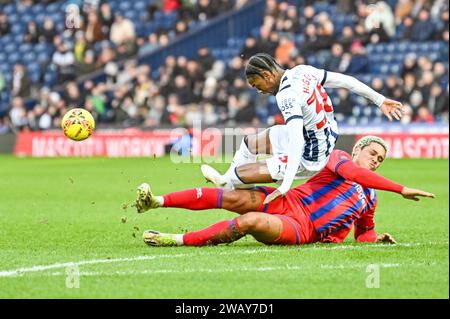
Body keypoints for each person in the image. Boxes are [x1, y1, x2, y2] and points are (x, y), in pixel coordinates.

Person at [134, 136, 435, 247]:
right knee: (234, 197)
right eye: (372, 154)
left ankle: (175, 239)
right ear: (357, 149)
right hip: (286, 198)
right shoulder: (339, 158)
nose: (375, 161)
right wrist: (401, 189)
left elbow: (364, 232)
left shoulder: (370, 197)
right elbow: (355, 174)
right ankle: (156, 201)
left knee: (251, 221)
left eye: (380, 160)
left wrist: (375, 239)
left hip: (302, 227)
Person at [201, 53, 404, 205]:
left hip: (310, 156)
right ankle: (228, 180)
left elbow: (296, 138)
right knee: (249, 143)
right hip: (322, 135)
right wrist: (380, 100)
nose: (259, 91)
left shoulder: (286, 96)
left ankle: (230, 182)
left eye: (257, 85)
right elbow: (346, 81)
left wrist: (285, 185)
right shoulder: (302, 71)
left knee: (240, 174)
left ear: (266, 75)